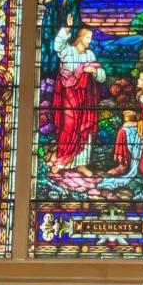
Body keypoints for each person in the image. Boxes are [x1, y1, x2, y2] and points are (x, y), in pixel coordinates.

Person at [50, 14, 106, 175]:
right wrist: (67, 27)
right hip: (69, 97)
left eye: (90, 37)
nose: (90, 40)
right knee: (69, 126)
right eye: (88, 37)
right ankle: (63, 161)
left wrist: (94, 71)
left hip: (86, 98)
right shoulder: (68, 51)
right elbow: (58, 46)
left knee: (85, 128)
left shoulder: (90, 55)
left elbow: (102, 76)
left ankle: (81, 164)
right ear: (80, 37)